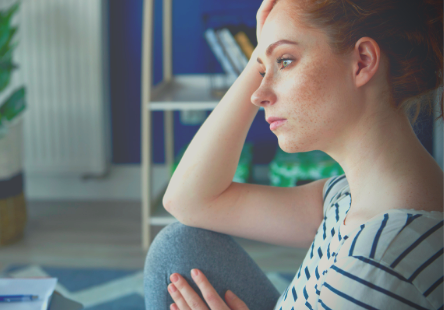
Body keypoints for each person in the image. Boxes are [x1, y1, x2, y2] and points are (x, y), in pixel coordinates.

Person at [143, 0, 443, 309]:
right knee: (180, 244)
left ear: (362, 62)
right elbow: (189, 202)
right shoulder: (346, 198)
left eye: (285, 61)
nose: (258, 94)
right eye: (263, 69)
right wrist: (261, 54)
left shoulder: (376, 265)